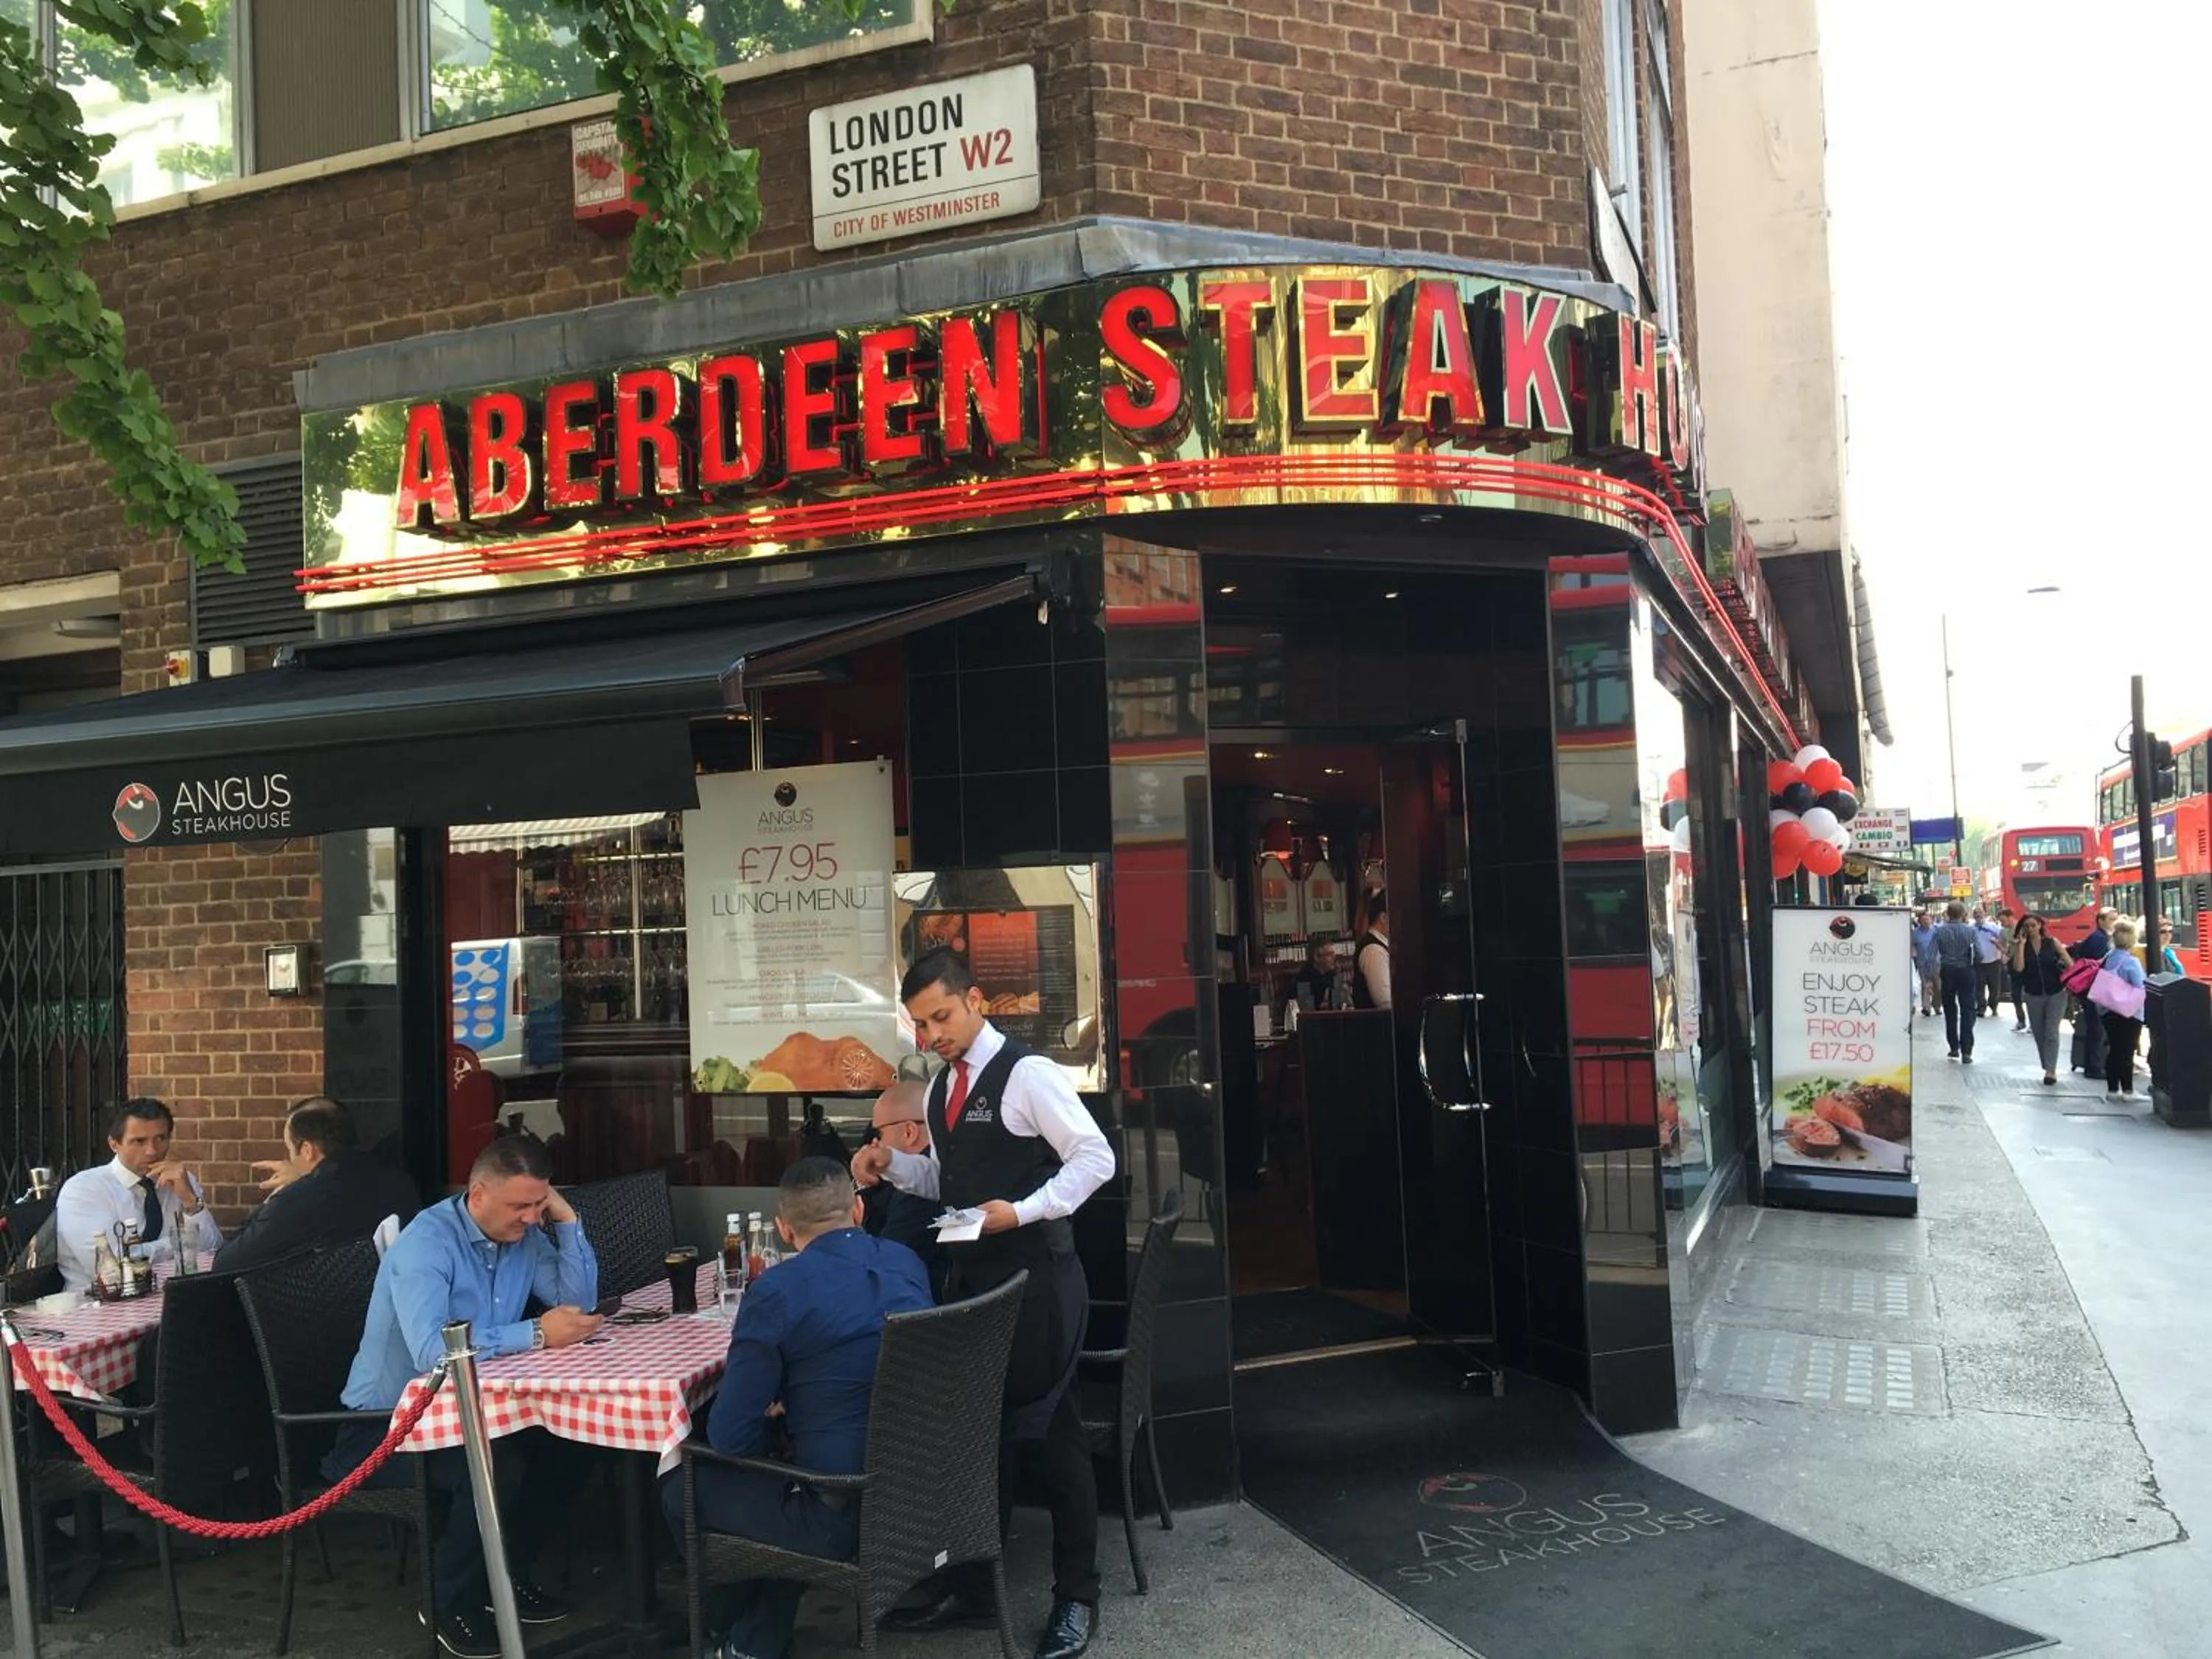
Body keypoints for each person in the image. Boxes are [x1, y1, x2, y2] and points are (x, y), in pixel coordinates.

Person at [853, 948, 1116, 1659]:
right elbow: (947, 1179)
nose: (931, 1033)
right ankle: (974, 1591)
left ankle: (1076, 1598)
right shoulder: (939, 1092)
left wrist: (1024, 1212)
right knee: (978, 1438)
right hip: (974, 1287)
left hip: (1038, 1280)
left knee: (1055, 1439)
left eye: (941, 1015)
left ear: (977, 1000)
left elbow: (1096, 1159)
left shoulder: (1028, 1074)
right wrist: (893, 1167)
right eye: (919, 1023)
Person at [327, 1133, 599, 1659]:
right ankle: (451, 1602)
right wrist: (537, 1334)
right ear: (477, 1196)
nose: (529, 1217)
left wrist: (565, 1221)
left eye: (538, 1204)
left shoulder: (522, 1232)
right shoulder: (427, 1245)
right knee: (496, 1468)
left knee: (571, 1445)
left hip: (479, 1410)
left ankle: (506, 1573)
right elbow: (434, 1351)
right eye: (520, 1206)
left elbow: (577, 1305)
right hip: (387, 1428)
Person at [664, 1158, 933, 1659]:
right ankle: (754, 1641)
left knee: (681, 1489)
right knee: (785, 1480)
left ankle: (725, 1630)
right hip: (920, 1491)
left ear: (784, 1230)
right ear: (858, 1210)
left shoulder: (776, 1292)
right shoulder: (905, 1262)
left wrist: (780, 1411)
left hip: (841, 1509)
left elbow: (731, 1438)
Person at [210, 1096, 420, 1276]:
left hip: (324, 1315)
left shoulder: (301, 1198)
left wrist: (283, 1193)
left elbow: (226, 1263)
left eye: (290, 1150)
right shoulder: (398, 1180)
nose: (289, 1160)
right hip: (397, 1306)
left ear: (307, 1150)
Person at [53, 1097, 223, 1292]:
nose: (152, 1151)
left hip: (168, 1297)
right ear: (114, 1144)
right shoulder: (83, 1189)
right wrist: (181, 1246)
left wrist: (190, 1201)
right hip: (97, 1305)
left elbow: (213, 1249)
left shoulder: (181, 1181)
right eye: (139, 1141)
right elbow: (114, 1269)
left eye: (161, 1139)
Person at [861, 1081, 941, 1265]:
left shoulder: (917, 1188)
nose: (874, 1143)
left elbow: (886, 1261)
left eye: (878, 1134)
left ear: (909, 1132)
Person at [2009, 916, 2073, 1087]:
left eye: (2033, 925)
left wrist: (2068, 976)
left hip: (2056, 993)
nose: (2031, 929)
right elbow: (2019, 968)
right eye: (2027, 926)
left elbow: (2070, 964)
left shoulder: (2052, 942)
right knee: (2039, 1031)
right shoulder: (2022, 945)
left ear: (2040, 925)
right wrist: (2021, 945)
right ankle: (2047, 1064)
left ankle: (2050, 1070)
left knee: (2051, 1031)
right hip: (2033, 994)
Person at [2097, 921, 2149, 1099]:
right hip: (2129, 1013)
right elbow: (2140, 986)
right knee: (2127, 1052)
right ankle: (2128, 1090)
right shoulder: (2131, 962)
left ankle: (2112, 1090)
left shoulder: (2108, 957)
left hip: (2108, 1011)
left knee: (2114, 1050)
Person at [1932, 902, 1982, 1063]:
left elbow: (1931, 955)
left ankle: (1954, 1047)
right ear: (1963, 914)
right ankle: (1967, 1051)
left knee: (1950, 1009)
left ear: (1948, 913)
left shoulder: (1939, 931)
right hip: (1966, 971)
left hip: (1947, 971)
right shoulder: (1971, 931)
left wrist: (1929, 978)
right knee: (1967, 1009)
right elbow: (1979, 954)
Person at [2070, 908, 2117, 1077]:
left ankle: (2092, 1064)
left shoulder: (2099, 937)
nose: (2114, 923)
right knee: (2097, 1029)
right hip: (2094, 990)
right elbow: (2102, 968)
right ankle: (2094, 1067)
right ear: (2101, 921)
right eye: (2111, 919)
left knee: (2095, 1028)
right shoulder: (2100, 940)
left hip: (2091, 990)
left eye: (2115, 919)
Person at [1352, 896, 1392, 1011]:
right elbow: (1385, 1001)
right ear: (1384, 917)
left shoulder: (1380, 946)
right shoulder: (1373, 950)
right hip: (1377, 1026)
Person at [1290, 939, 1342, 1013]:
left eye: (1334, 954)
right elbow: (1307, 1012)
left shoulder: (1334, 975)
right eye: (1330, 954)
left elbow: (1340, 1004)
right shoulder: (1303, 979)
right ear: (1317, 957)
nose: (1334, 958)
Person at [1971, 906, 2006, 1017]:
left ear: (1985, 914)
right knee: (1979, 987)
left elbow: (2003, 941)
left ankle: (1993, 1005)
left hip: (1993, 961)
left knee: (1994, 986)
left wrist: (1997, 942)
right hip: (1978, 963)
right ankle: (1981, 1008)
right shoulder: (1971, 929)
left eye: (1980, 912)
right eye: (1976, 913)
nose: (1978, 915)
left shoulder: (1994, 927)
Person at [1910, 909, 1940, 1017]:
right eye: (1923, 920)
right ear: (1919, 921)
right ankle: (1926, 1007)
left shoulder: (1937, 931)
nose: (1926, 921)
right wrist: (1914, 955)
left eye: (1928, 919)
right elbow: (1912, 946)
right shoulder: (1915, 933)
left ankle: (1937, 1006)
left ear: (1931, 920)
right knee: (1925, 985)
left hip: (1936, 962)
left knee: (1938, 986)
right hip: (1922, 963)